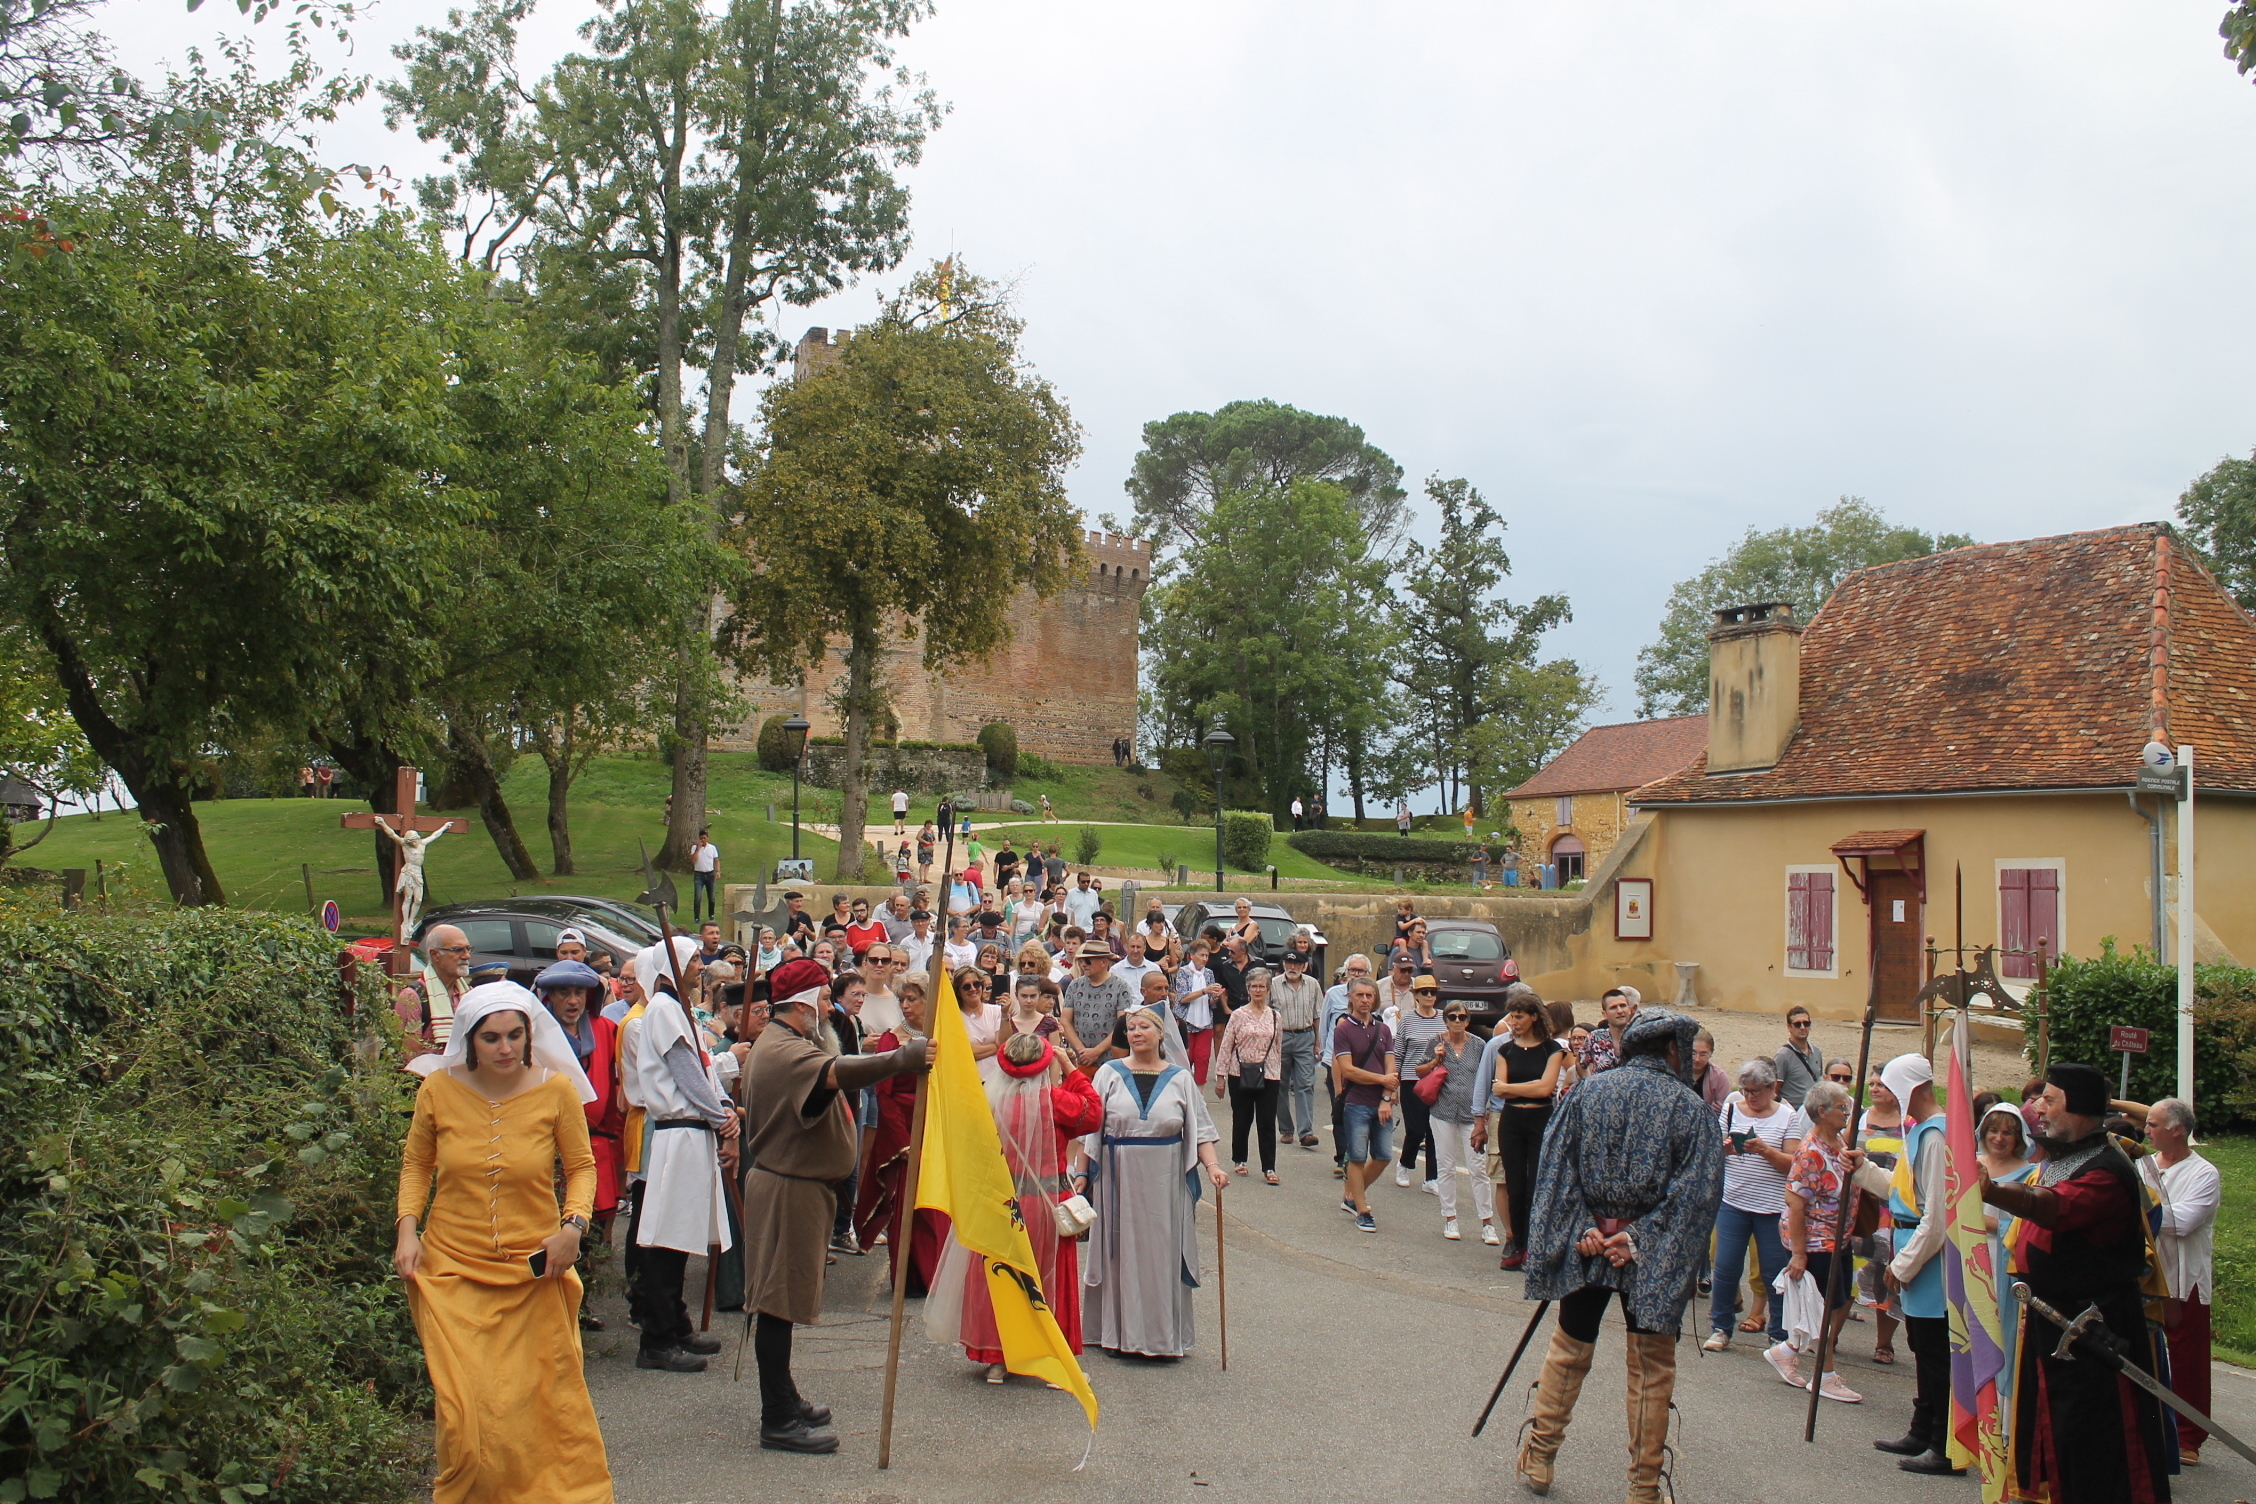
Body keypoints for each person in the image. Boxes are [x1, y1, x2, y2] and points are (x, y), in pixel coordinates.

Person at [393, 982, 611, 1503]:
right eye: (491, 1038)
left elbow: (581, 1167)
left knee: (537, 1406)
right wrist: (407, 1229)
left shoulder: (555, 1090)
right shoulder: (438, 1091)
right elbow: (418, 1164)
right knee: (463, 1412)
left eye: (515, 1035)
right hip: (451, 1272)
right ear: (470, 1039)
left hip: (533, 1274)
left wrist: (572, 1227)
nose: (505, 1048)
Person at [1515, 1008, 1723, 1503]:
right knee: (1651, 1367)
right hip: (1650, 1256)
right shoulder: (1688, 1108)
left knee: (1570, 1347)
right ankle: (1643, 1489)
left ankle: (1541, 1456)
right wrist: (1639, 1239)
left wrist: (1584, 1228)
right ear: (1671, 1048)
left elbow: (1555, 1169)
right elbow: (1697, 1192)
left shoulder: (1590, 1091)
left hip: (1592, 1246)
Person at [741, 958, 930, 1453]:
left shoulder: (788, 1042)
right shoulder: (785, 1050)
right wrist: (902, 1058)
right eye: (824, 999)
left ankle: (785, 1396)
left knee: (783, 1302)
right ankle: (777, 1416)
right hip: (787, 1188)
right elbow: (840, 1071)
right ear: (803, 1004)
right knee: (777, 1305)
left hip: (798, 1186)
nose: (829, 1007)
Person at [1978, 1063, 2173, 1504]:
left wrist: (1992, 1191)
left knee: (2092, 1445)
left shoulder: (2105, 1171)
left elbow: (2055, 1207)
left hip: (2092, 1329)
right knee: (2048, 1436)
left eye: (2049, 1100)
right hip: (2051, 1321)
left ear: (2080, 1108)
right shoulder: (2061, 1160)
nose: (2037, 1108)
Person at [927, 1030, 1104, 1381]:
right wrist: (1070, 1066)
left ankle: (997, 1356)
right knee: (1049, 1277)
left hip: (1002, 1203)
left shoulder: (987, 1101)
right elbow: (1094, 1114)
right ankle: (1053, 1356)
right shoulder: (1055, 1101)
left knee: (1000, 1277)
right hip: (1047, 1201)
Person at [1075, 1008, 1228, 1358]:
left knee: (1160, 1251)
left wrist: (1214, 1168)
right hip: (1118, 1176)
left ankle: (1160, 1338)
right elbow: (1090, 1131)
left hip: (1164, 1177)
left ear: (1162, 1034)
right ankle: (1119, 1335)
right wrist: (1083, 1174)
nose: (1136, 1032)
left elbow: (1199, 1130)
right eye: (1130, 1028)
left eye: (1144, 1026)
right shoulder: (1109, 1074)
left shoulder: (1180, 1078)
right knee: (1120, 1250)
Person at [624, 937, 734, 1375]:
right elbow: (685, 1072)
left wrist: (723, 1107)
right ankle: (657, 1336)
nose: (699, 965)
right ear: (669, 969)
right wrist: (718, 1116)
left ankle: (676, 1322)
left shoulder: (680, 1009)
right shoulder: (664, 1009)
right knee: (666, 1240)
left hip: (693, 1132)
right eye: (691, 959)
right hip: (679, 1132)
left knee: (681, 1236)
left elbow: (705, 1067)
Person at [1849, 1051, 1961, 1477]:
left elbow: (1937, 1215)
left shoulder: (1936, 1136)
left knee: (1934, 1350)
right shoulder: (1919, 1132)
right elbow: (1901, 1193)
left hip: (1928, 1255)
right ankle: (1922, 1427)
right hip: (1909, 1239)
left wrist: (1905, 1265)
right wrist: (1862, 1170)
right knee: (1921, 1344)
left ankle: (1944, 1442)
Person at [2136, 1097, 2217, 1468]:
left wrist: (2139, 1214)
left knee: (2189, 1361)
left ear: (2177, 1130)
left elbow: (2184, 1221)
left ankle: (2189, 1436)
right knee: (2142, 1353)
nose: (2147, 1130)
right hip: (2147, 1272)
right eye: (2147, 1124)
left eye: (2154, 1125)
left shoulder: (2204, 1174)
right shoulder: (2142, 1165)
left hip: (2186, 1280)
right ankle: (2146, 1427)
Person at [1702, 1057, 1802, 1351]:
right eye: (1745, 1090)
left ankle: (1779, 1333)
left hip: (1771, 1207)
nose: (1750, 1097)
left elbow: (1792, 1164)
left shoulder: (1787, 1117)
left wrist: (1765, 1150)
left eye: (1756, 1091)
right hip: (1733, 1201)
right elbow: (1714, 1153)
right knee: (1726, 1266)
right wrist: (1727, 1150)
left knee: (1774, 1271)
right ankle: (1721, 1327)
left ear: (1772, 1088)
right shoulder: (1732, 1110)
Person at [1773, 1078, 1864, 1403]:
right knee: (1826, 1308)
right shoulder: (1810, 1152)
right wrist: (1799, 1254)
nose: (1847, 1111)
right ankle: (1824, 1376)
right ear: (1821, 1112)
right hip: (1815, 1241)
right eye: (1842, 1107)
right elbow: (1795, 1204)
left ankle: (1787, 1350)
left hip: (1838, 1238)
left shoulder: (1839, 1141)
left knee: (1835, 1304)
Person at [534, 960, 626, 1255]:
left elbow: (617, 1091)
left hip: (597, 1143)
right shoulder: (534, 1033)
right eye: (563, 992)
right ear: (548, 996)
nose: (572, 1001)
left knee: (592, 1243)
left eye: (579, 993)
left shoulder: (607, 1030)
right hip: (547, 1148)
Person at [1486, 989, 1563, 1268]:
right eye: (1511, 1017)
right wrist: (1520, 1088)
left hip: (1541, 1120)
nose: (1513, 1022)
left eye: (1518, 1017)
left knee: (1537, 1186)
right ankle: (1517, 1244)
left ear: (1533, 1017)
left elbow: (1545, 1088)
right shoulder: (1505, 1049)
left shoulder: (1552, 1049)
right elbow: (1499, 1090)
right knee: (1515, 1185)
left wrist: (1512, 1088)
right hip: (1512, 1122)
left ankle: (1536, 1245)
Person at [1420, 1000, 1497, 1245]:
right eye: (1452, 1017)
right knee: (1446, 1165)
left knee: (1478, 1168)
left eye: (1461, 1017)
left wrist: (1485, 1111)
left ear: (1467, 1020)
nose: (1456, 1021)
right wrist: (1435, 1060)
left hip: (1471, 1114)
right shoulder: (1436, 1042)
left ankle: (1487, 1222)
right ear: (1445, 1020)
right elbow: (1419, 1071)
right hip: (1442, 1110)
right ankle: (1450, 1217)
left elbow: (1487, 1078)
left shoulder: (1479, 1045)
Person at [1332, 976, 1397, 1234]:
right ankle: (1362, 1209)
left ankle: (1352, 1194)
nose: (1365, 1000)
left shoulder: (1383, 1030)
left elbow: (1391, 1067)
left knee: (1382, 1156)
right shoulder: (1343, 1029)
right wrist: (1383, 1080)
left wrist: (1386, 1097)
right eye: (1360, 995)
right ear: (1350, 997)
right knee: (1357, 1157)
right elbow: (1348, 1070)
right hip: (1356, 1102)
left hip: (1380, 1102)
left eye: (1369, 996)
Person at [1213, 967, 1284, 1182]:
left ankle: (1269, 1167)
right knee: (1242, 1118)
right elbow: (1226, 1045)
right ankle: (1240, 1159)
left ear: (1269, 989)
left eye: (1262, 986)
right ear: (1248, 988)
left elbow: (1278, 1047)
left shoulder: (1275, 1017)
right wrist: (1220, 1076)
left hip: (1268, 1073)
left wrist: (1278, 1073)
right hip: (1239, 1071)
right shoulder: (1238, 1015)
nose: (1258, 990)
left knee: (1267, 1122)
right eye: (1254, 986)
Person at [1389, 973, 1445, 1192]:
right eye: (1425, 992)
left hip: (1437, 1080)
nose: (1429, 996)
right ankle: (1404, 1163)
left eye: (1433, 992)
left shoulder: (1443, 1018)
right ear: (1416, 996)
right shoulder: (1407, 1020)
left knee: (1435, 1129)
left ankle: (1432, 1178)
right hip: (1412, 1080)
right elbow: (1398, 1054)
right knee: (1416, 1128)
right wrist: (1393, 1085)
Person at [1269, 948, 1324, 1151]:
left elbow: (1318, 1015)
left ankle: (1306, 1132)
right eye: (1288, 963)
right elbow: (1266, 1013)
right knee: (1279, 1085)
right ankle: (1286, 1129)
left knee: (1305, 1084)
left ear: (1304, 966)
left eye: (1296, 964)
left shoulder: (1313, 985)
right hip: (1280, 1038)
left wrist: (1318, 1042)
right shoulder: (1273, 984)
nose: (1292, 967)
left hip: (1305, 1036)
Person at [397, 923, 473, 1054]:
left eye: (468, 949)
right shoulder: (412, 998)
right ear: (435, 955)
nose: (467, 956)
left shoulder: (469, 994)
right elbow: (410, 1057)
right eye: (457, 950)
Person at [1063, 940, 1136, 1069]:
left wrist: (1096, 1051)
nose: (1083, 965)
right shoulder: (1075, 985)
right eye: (1081, 961)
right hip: (1079, 1061)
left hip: (1109, 1062)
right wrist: (1082, 1051)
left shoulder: (1121, 987)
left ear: (1103, 962)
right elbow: (1065, 1020)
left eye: (1088, 961)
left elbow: (1122, 1024)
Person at [1579, 985, 1637, 1076]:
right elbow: (1580, 1063)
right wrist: (1588, 1083)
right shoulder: (1594, 1038)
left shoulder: (1640, 1037)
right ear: (1604, 1014)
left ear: (1629, 1010)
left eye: (1623, 1006)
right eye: (1613, 1007)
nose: (1620, 1011)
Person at [1773, 1004, 1823, 1109]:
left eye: (1806, 1023)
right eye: (1797, 1024)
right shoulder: (1783, 1056)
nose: (1802, 1028)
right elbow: (1774, 1090)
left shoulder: (1817, 1052)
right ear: (1789, 1027)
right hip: (1793, 1113)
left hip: (1814, 1112)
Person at [1692, 1029, 1729, 1110]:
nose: (1697, 1059)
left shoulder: (1720, 1077)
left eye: (1703, 1054)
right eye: (1693, 1053)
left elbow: (1723, 1108)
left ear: (1711, 1053)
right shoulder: (1674, 1074)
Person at [690, 828, 719, 923]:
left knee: (711, 897)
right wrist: (698, 848)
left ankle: (711, 915)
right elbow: (693, 860)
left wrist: (717, 871)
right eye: (701, 838)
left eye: (704, 838)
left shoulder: (712, 848)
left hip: (710, 874)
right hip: (699, 875)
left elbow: (716, 860)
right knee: (697, 897)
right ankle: (697, 917)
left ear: (707, 838)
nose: (702, 840)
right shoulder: (694, 848)